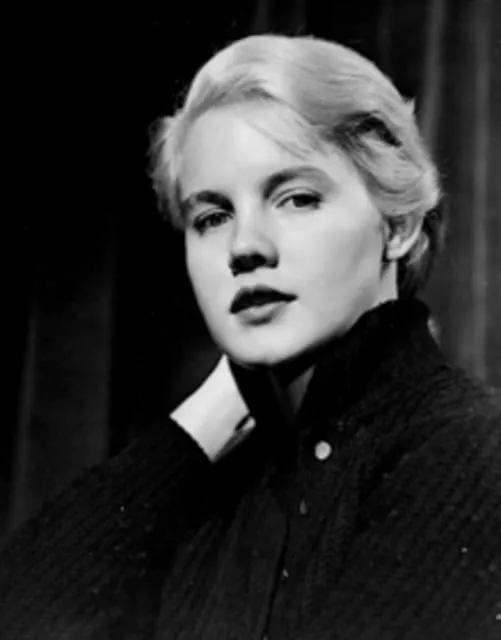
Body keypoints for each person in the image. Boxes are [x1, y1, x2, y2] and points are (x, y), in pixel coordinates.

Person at [1, 34, 500, 640]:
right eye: (212, 217)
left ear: (397, 226)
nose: (244, 247)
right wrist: (212, 413)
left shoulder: (468, 450)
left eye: (296, 199)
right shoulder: (213, 488)